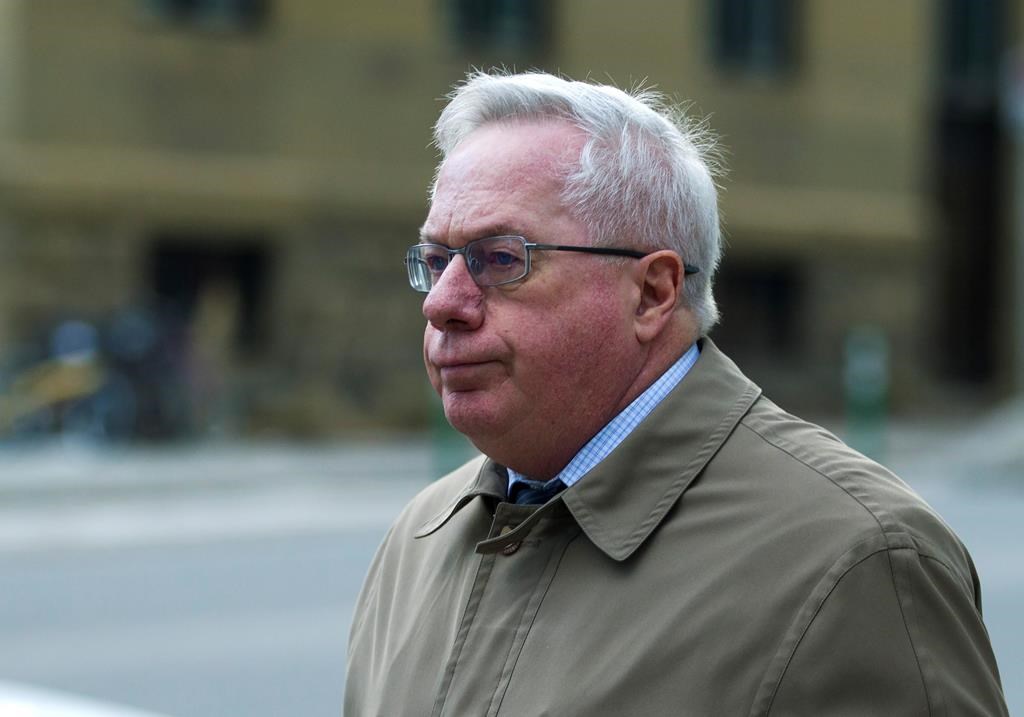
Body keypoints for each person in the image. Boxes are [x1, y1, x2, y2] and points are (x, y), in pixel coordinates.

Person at [344, 71, 1008, 716]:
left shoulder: (857, 562)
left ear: (654, 292)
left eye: (499, 259)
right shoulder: (420, 539)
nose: (444, 303)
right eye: (435, 262)